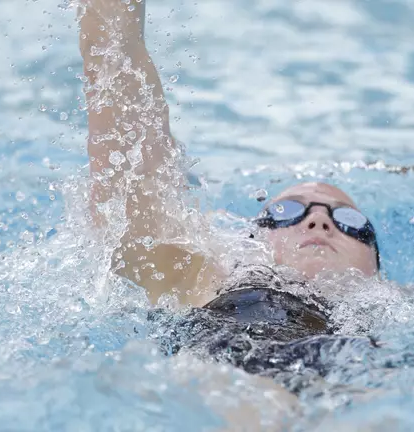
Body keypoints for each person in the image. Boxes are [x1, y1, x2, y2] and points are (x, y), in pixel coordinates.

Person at [78, 0, 388, 393]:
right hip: (231, 366)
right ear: (249, 240)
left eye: (351, 222)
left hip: (356, 369)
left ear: (376, 269)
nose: (319, 221)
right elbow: (116, 76)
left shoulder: (404, 309)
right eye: (286, 212)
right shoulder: (206, 274)